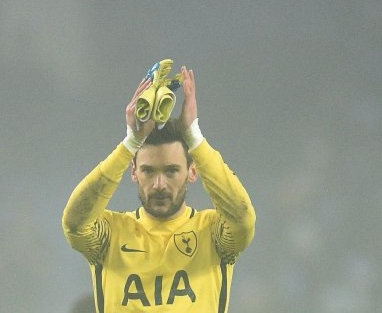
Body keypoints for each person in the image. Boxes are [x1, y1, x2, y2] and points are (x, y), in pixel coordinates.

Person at [62, 65, 256, 312]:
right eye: (148, 171)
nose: (159, 184)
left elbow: (243, 220)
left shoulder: (213, 235)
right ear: (134, 172)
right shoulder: (110, 236)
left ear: (192, 172)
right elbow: (74, 222)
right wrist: (130, 143)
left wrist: (193, 136)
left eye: (171, 171)